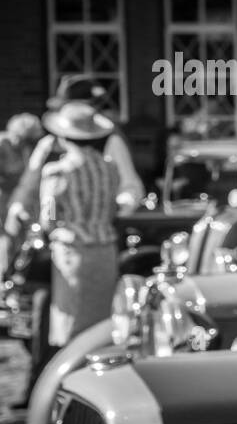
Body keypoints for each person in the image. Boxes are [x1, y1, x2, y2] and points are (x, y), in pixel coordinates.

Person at [4, 76, 143, 240]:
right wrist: (18, 207)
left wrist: (111, 210)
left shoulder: (111, 143)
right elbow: (29, 185)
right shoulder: (48, 146)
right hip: (78, 240)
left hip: (81, 238)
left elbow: (129, 187)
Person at [34, 102, 121, 348]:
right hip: (106, 251)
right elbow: (112, 209)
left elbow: (47, 217)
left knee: (72, 323)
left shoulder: (58, 171)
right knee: (101, 323)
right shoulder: (109, 167)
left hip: (73, 252)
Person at [0, 113, 43, 270]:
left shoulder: (26, 148)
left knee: (22, 235)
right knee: (5, 236)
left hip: (20, 197)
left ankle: (17, 271)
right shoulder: (2, 144)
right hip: (3, 196)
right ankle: (4, 273)